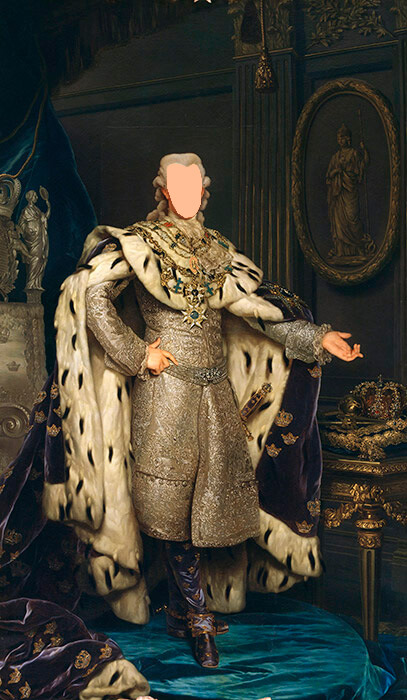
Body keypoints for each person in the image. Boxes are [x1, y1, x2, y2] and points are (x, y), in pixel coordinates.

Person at [42, 153, 362, 669]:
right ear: (163, 190)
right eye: (179, 184)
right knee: (170, 508)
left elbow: (259, 314)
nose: (188, 193)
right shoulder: (139, 243)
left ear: (204, 191)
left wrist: (317, 337)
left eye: (196, 185)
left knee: (206, 505)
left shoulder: (217, 251)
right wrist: (138, 354)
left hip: (215, 395)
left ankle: (178, 611)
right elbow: (94, 299)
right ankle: (199, 619)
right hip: (164, 393)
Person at [326, 123, 375, 263]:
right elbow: (328, 176)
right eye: (339, 138)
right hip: (338, 192)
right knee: (339, 221)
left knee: (353, 217)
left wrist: (364, 152)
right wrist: (336, 172)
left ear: (349, 138)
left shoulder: (354, 153)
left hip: (350, 190)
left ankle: (358, 248)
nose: (342, 140)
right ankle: (341, 251)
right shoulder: (335, 157)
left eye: (344, 137)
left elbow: (362, 167)